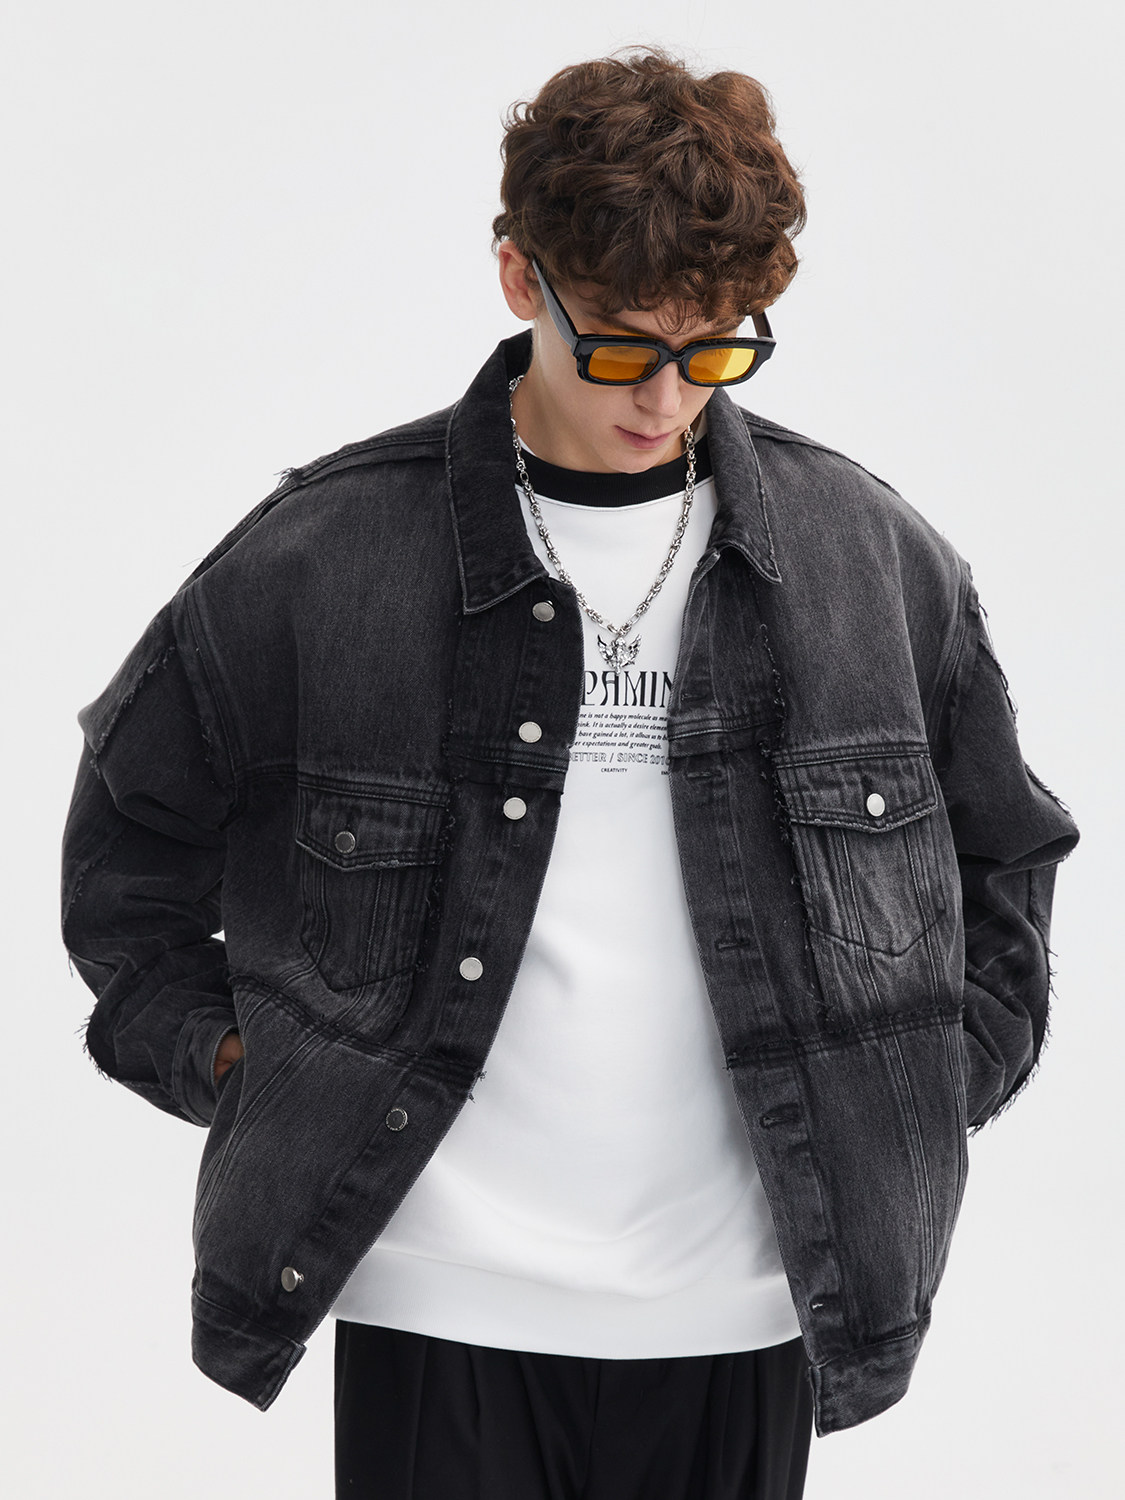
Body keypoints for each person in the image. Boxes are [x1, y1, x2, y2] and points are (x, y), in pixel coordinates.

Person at [60, 49, 1080, 1500]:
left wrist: (914, 1089)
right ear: (516, 278)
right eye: (617, 348)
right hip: (440, 1295)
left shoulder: (868, 563)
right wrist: (236, 1066)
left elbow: (1005, 862)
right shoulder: (320, 561)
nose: (663, 396)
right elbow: (126, 865)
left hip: (742, 1306)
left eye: (711, 350)